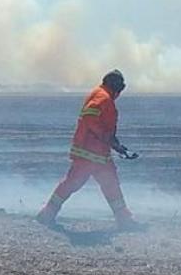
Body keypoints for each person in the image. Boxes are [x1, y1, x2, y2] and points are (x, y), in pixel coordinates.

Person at [36, 70, 141, 230]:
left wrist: (116, 145)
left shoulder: (99, 94)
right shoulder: (103, 98)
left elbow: (99, 125)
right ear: (115, 86)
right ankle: (124, 219)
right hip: (91, 152)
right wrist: (105, 137)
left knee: (103, 182)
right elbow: (90, 118)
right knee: (79, 183)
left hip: (95, 152)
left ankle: (47, 213)